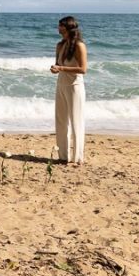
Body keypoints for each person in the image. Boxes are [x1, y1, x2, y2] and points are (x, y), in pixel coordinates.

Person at [50, 16, 87, 165]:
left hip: (74, 87)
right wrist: (55, 69)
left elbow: (83, 69)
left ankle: (77, 158)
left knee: (76, 121)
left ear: (68, 28)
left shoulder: (79, 45)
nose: (58, 28)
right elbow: (57, 66)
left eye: (61, 26)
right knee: (61, 121)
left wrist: (61, 68)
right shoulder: (60, 45)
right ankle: (63, 156)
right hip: (61, 85)